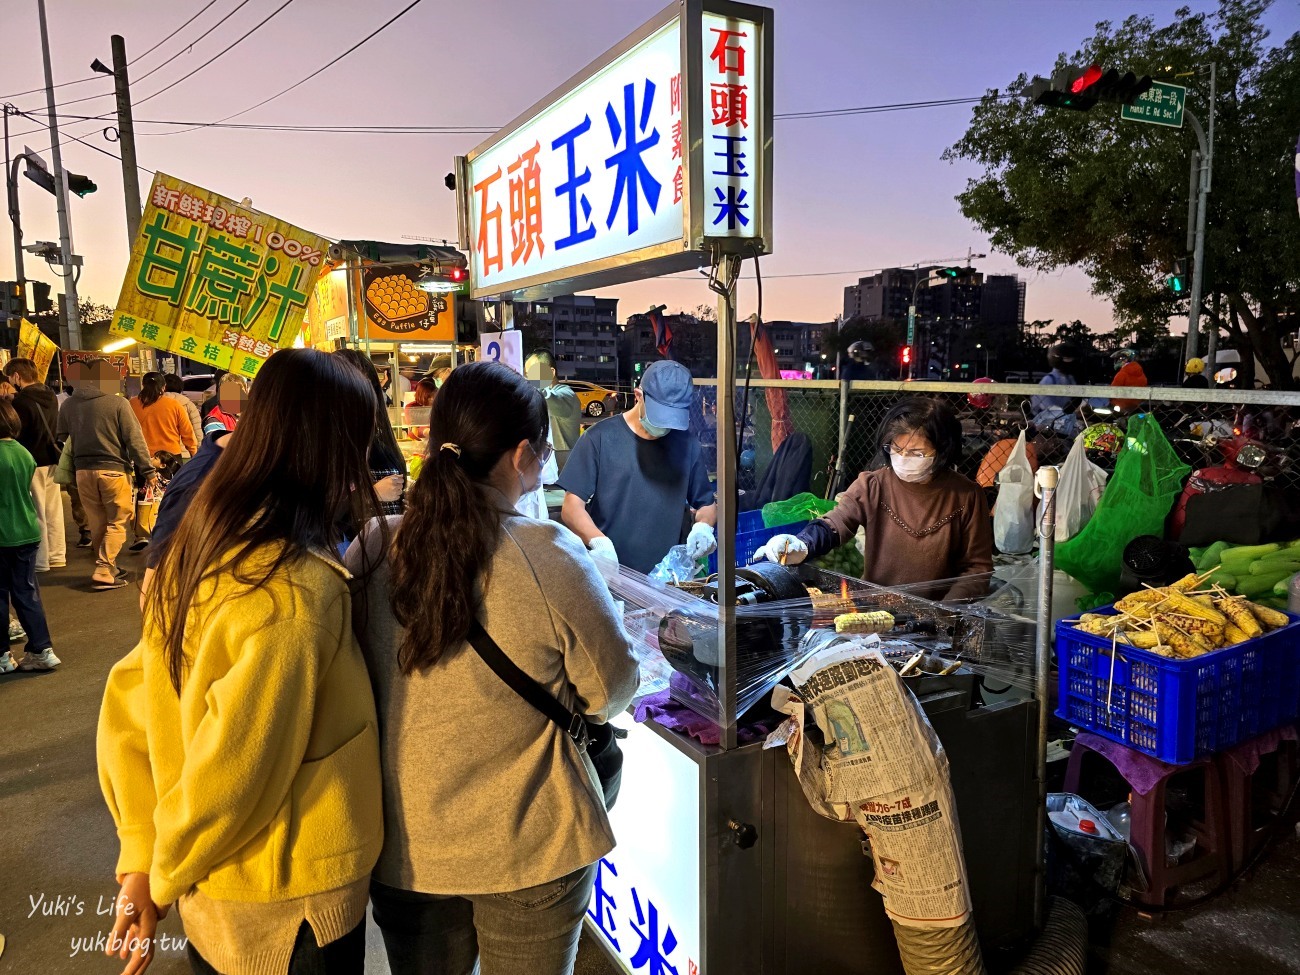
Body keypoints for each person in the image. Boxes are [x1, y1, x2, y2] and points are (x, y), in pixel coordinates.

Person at [97, 349, 385, 975]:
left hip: (222, 890)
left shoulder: (202, 544)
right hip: (288, 901)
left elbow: (130, 704)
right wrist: (166, 871)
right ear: (332, 450)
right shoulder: (296, 593)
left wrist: (144, 856)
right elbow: (237, 768)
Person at [346, 360, 638, 975]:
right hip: (529, 845)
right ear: (524, 454)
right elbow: (613, 691)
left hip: (407, 847)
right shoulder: (547, 552)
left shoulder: (372, 546)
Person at [757, 397, 994, 600]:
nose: (902, 458)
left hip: (935, 615)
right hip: (875, 608)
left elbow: (977, 569)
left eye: (916, 453)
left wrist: (943, 613)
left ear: (943, 450)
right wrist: (803, 543)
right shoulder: (873, 484)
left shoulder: (967, 496)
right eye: (896, 449)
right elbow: (836, 522)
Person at [559, 360, 716, 575]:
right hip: (610, 573)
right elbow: (571, 506)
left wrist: (704, 526)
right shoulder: (599, 438)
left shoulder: (687, 444)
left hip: (667, 577)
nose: (665, 426)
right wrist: (599, 543)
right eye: (660, 416)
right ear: (638, 396)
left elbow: (706, 504)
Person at [56, 360, 154, 590]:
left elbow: (61, 437)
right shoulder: (118, 403)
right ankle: (103, 568)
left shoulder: (69, 405)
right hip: (113, 470)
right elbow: (134, 439)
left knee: (98, 521)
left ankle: (109, 567)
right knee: (119, 520)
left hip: (82, 472)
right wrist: (148, 470)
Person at [0, 402, 59, 674]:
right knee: (27, 593)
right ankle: (41, 650)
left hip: (2, 535)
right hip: (26, 531)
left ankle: (2, 656)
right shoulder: (23, 452)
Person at [4, 358, 65, 572]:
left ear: (17, 376)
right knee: (53, 510)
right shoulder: (50, 396)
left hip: (32, 460)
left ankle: (41, 561)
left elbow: (19, 431)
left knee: (36, 510)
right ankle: (58, 555)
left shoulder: (21, 402)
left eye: (10, 378)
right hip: (53, 459)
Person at [130, 373, 198, 552]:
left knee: (146, 495)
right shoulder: (173, 404)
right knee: (171, 495)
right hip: (170, 459)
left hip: (143, 458)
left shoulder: (132, 404)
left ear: (142, 385)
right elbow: (187, 432)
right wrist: (194, 454)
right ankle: (171, 533)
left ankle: (142, 533)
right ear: (164, 387)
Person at [334, 349, 407, 517]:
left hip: (386, 540)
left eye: (371, 389)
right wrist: (372, 495)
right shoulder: (323, 452)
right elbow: (316, 513)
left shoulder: (381, 447)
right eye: (355, 392)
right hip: (353, 542)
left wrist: (407, 507)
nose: (367, 399)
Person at [525, 350, 582, 472]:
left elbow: (549, 399)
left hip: (563, 468)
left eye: (534, 372)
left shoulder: (566, 394)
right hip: (548, 466)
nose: (529, 377)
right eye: (527, 373)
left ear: (551, 372)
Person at [162, 372, 204, 449]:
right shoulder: (188, 404)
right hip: (185, 451)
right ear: (180, 387)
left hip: (160, 452)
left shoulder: (155, 404)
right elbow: (197, 429)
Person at [1110, 347, 1148, 412]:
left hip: (1120, 405)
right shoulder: (1141, 374)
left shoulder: (1122, 374)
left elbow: (1112, 390)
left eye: (1118, 359)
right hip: (1136, 405)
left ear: (1125, 360)